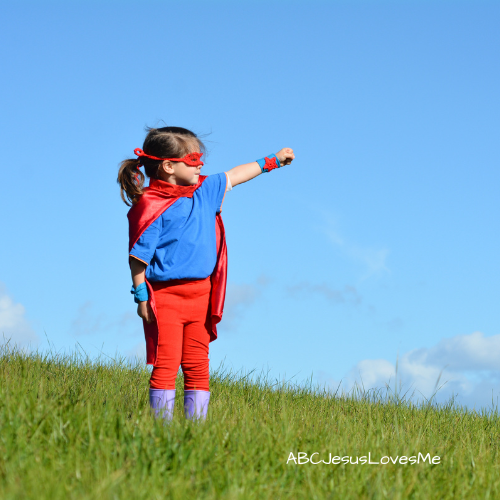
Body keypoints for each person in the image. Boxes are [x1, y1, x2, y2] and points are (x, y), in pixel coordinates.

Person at [117, 126, 295, 421]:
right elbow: (138, 257)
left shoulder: (205, 191)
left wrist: (271, 161)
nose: (201, 163)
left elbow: (236, 174)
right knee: (166, 363)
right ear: (169, 166)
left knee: (198, 364)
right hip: (166, 298)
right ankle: (161, 429)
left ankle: (194, 429)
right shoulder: (151, 206)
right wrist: (140, 296)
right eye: (194, 158)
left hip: (201, 295)